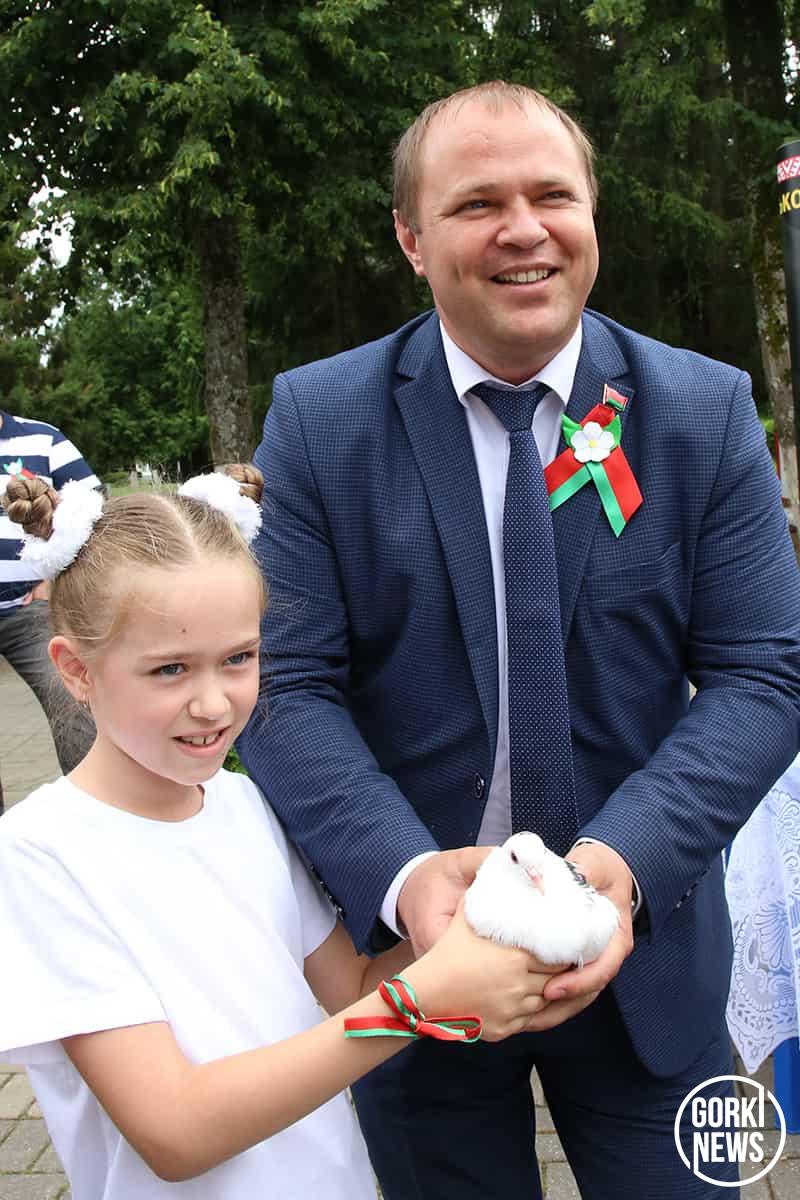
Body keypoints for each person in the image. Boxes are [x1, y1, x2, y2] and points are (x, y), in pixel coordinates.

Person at [238, 80, 800, 1199]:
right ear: (410, 238)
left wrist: (618, 869)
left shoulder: (702, 409)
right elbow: (286, 685)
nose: (523, 229)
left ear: (592, 214)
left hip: (652, 967)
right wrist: (405, 880)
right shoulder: (319, 418)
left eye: (552, 195)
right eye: (475, 204)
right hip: (416, 970)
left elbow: (764, 673)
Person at [0, 466, 550, 1200]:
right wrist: (417, 1002)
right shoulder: (38, 855)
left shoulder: (243, 804)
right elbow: (176, 1131)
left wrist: (470, 918)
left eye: (239, 658)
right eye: (170, 670)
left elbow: (350, 987)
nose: (213, 703)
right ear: (76, 670)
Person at [0, 409, 98, 787]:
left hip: (31, 610)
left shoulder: (43, 439)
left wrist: (55, 579)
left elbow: (93, 509)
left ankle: (98, 802)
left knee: (72, 695)